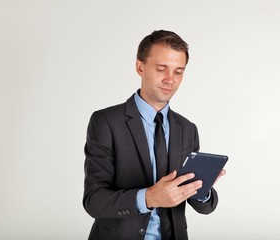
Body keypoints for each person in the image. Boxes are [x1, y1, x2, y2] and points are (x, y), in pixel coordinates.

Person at [83, 30, 225, 240]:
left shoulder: (188, 129)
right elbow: (94, 201)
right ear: (140, 67)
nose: (170, 79)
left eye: (178, 71)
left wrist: (201, 189)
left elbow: (205, 207)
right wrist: (148, 198)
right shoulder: (106, 122)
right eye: (161, 69)